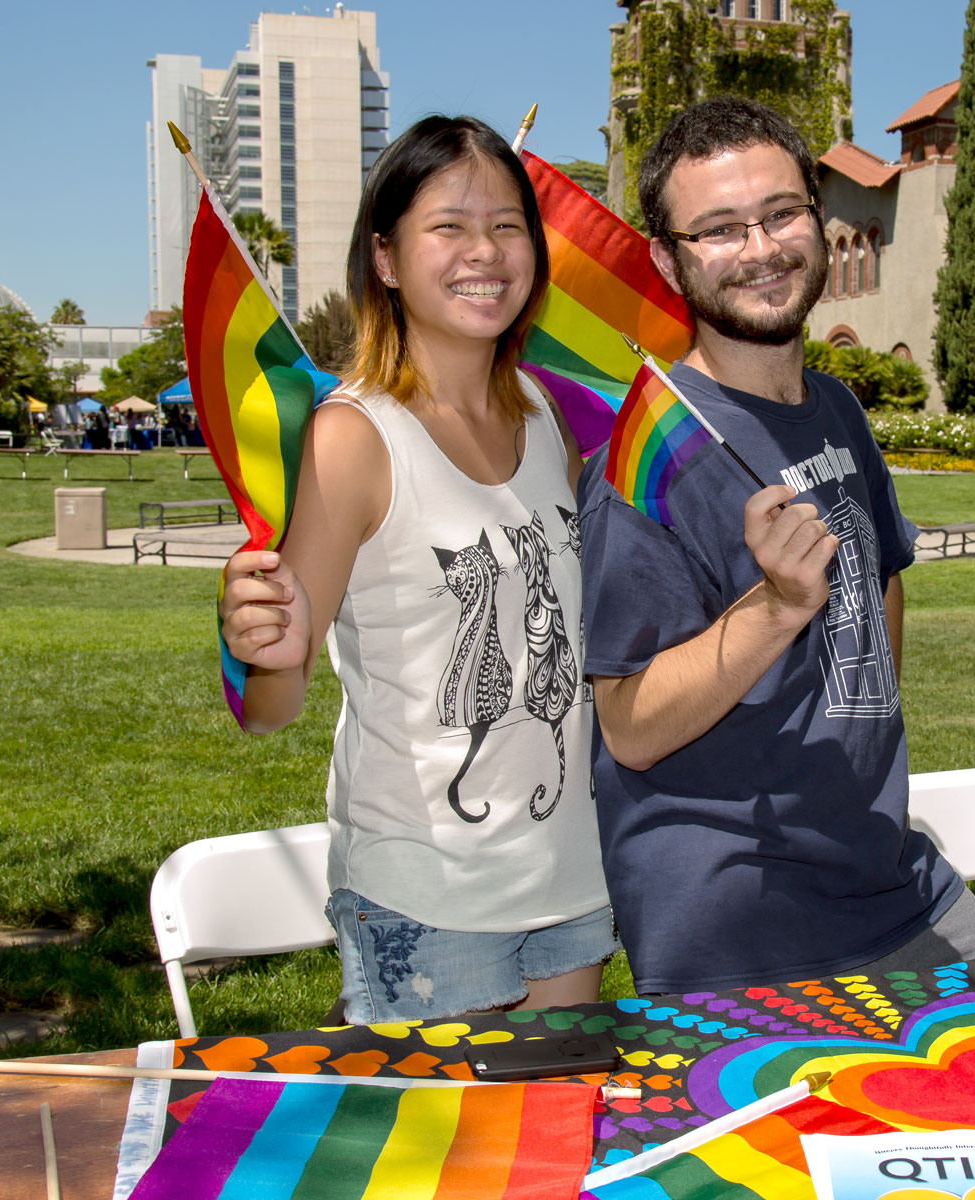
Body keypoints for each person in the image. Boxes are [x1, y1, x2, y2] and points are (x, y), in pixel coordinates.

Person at [577, 97, 975, 996]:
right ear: (667, 259)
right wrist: (776, 609)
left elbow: (881, 577)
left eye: (781, 213)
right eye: (719, 230)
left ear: (818, 217)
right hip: (743, 918)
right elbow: (628, 728)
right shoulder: (650, 460)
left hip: (889, 871)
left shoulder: (837, 408)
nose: (761, 248)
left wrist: (861, 727)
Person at [218, 115, 612, 1023]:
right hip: (427, 902)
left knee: (555, 1114)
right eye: (449, 226)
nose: (486, 251)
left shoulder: (546, 415)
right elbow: (274, 708)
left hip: (570, 880)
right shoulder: (354, 437)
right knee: (447, 1126)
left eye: (508, 225)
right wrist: (261, 648)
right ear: (386, 258)